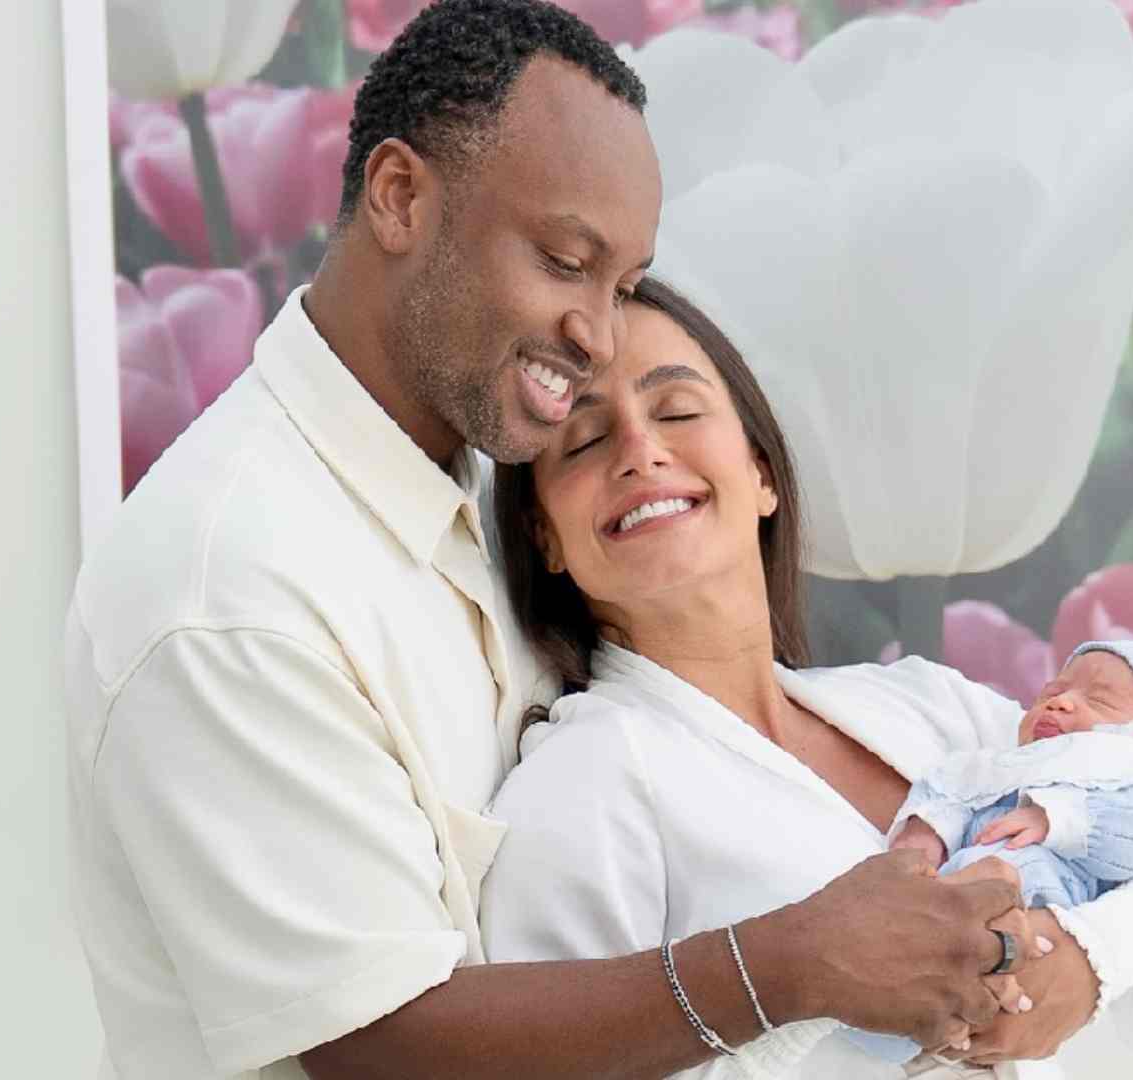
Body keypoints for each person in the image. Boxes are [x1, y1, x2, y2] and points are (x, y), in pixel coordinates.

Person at [65, 4, 1042, 1079]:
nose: (597, 334)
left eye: (620, 285)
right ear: (400, 198)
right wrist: (792, 963)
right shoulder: (228, 592)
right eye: (565, 260)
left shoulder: (474, 471)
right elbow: (377, 1044)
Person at [482, 276, 1133, 1079]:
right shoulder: (582, 786)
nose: (639, 450)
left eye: (678, 411)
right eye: (584, 440)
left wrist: (1092, 955)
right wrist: (803, 989)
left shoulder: (933, 708)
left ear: (762, 473)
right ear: (545, 536)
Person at [848, 640, 1133, 1065]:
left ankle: (922, 1025)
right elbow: (951, 787)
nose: (1060, 702)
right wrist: (927, 831)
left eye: (1100, 701)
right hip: (961, 882)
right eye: (1051, 691)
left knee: (978, 950)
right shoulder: (1006, 762)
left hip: (1046, 891)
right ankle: (887, 1023)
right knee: (929, 939)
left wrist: (1060, 818)